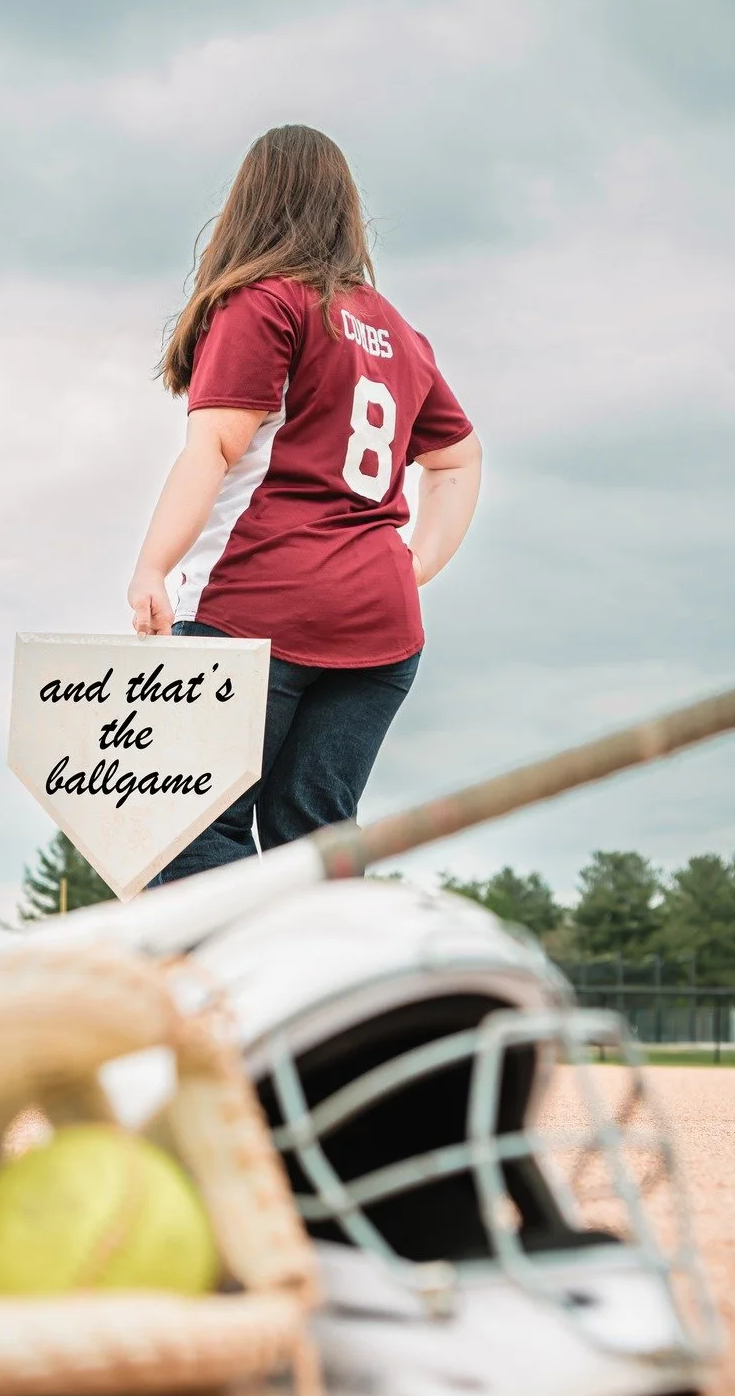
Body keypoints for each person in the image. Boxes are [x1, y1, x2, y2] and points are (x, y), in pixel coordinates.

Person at [127, 123, 480, 881]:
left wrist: (152, 565)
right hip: (381, 623)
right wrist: (408, 568)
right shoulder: (399, 333)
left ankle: (249, 1000)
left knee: (182, 834)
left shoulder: (264, 302)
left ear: (248, 204)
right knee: (313, 847)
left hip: (257, 606)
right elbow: (456, 458)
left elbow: (215, 447)